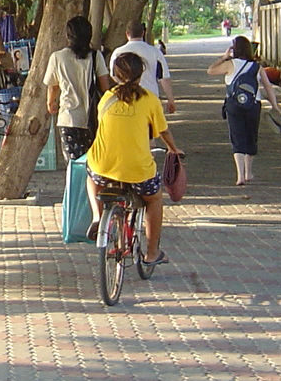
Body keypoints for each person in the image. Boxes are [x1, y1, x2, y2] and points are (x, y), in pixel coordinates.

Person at [85, 51, 182, 268]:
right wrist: (173, 150)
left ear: (115, 75)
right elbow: (163, 132)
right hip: (138, 170)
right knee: (154, 199)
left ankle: (96, 215)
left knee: (91, 176)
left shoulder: (107, 98)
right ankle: (152, 252)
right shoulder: (150, 100)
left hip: (103, 165)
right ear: (141, 74)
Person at [207, 35, 281, 186]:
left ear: (235, 49)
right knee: (251, 136)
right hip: (253, 105)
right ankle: (249, 172)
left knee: (237, 136)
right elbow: (268, 86)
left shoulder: (230, 64)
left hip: (233, 105)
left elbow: (210, 71)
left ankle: (240, 175)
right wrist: (275, 106)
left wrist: (223, 57)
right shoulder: (257, 67)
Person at [44, 15, 112, 161]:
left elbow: (53, 87)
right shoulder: (96, 56)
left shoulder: (57, 57)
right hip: (93, 119)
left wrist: (50, 103)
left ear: (68, 36)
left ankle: (75, 184)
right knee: (94, 163)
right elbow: (105, 87)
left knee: (74, 165)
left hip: (68, 118)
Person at [111, 20, 176, 114]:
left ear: (127, 34)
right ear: (143, 32)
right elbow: (164, 78)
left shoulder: (117, 53)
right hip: (151, 97)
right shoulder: (155, 52)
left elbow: (114, 76)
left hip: (126, 98)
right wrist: (170, 99)